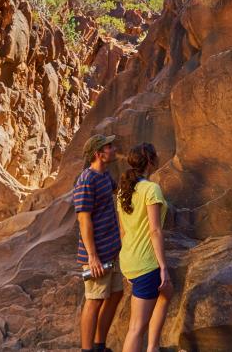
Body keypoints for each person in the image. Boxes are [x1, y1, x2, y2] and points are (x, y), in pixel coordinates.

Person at [116, 143, 172, 352]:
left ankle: (153, 347)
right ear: (150, 161)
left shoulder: (124, 191)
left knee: (167, 292)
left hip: (130, 259)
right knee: (136, 327)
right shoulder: (151, 189)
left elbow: (122, 231)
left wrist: (127, 262)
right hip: (146, 263)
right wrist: (163, 267)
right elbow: (155, 231)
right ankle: (151, 347)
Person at [74, 134, 124, 352]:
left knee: (115, 294)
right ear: (99, 154)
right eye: (109, 147)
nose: (113, 149)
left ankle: (99, 345)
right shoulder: (86, 180)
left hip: (113, 250)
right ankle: (87, 350)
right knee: (93, 300)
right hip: (97, 254)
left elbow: (118, 192)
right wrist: (92, 256)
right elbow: (83, 220)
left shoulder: (105, 176)